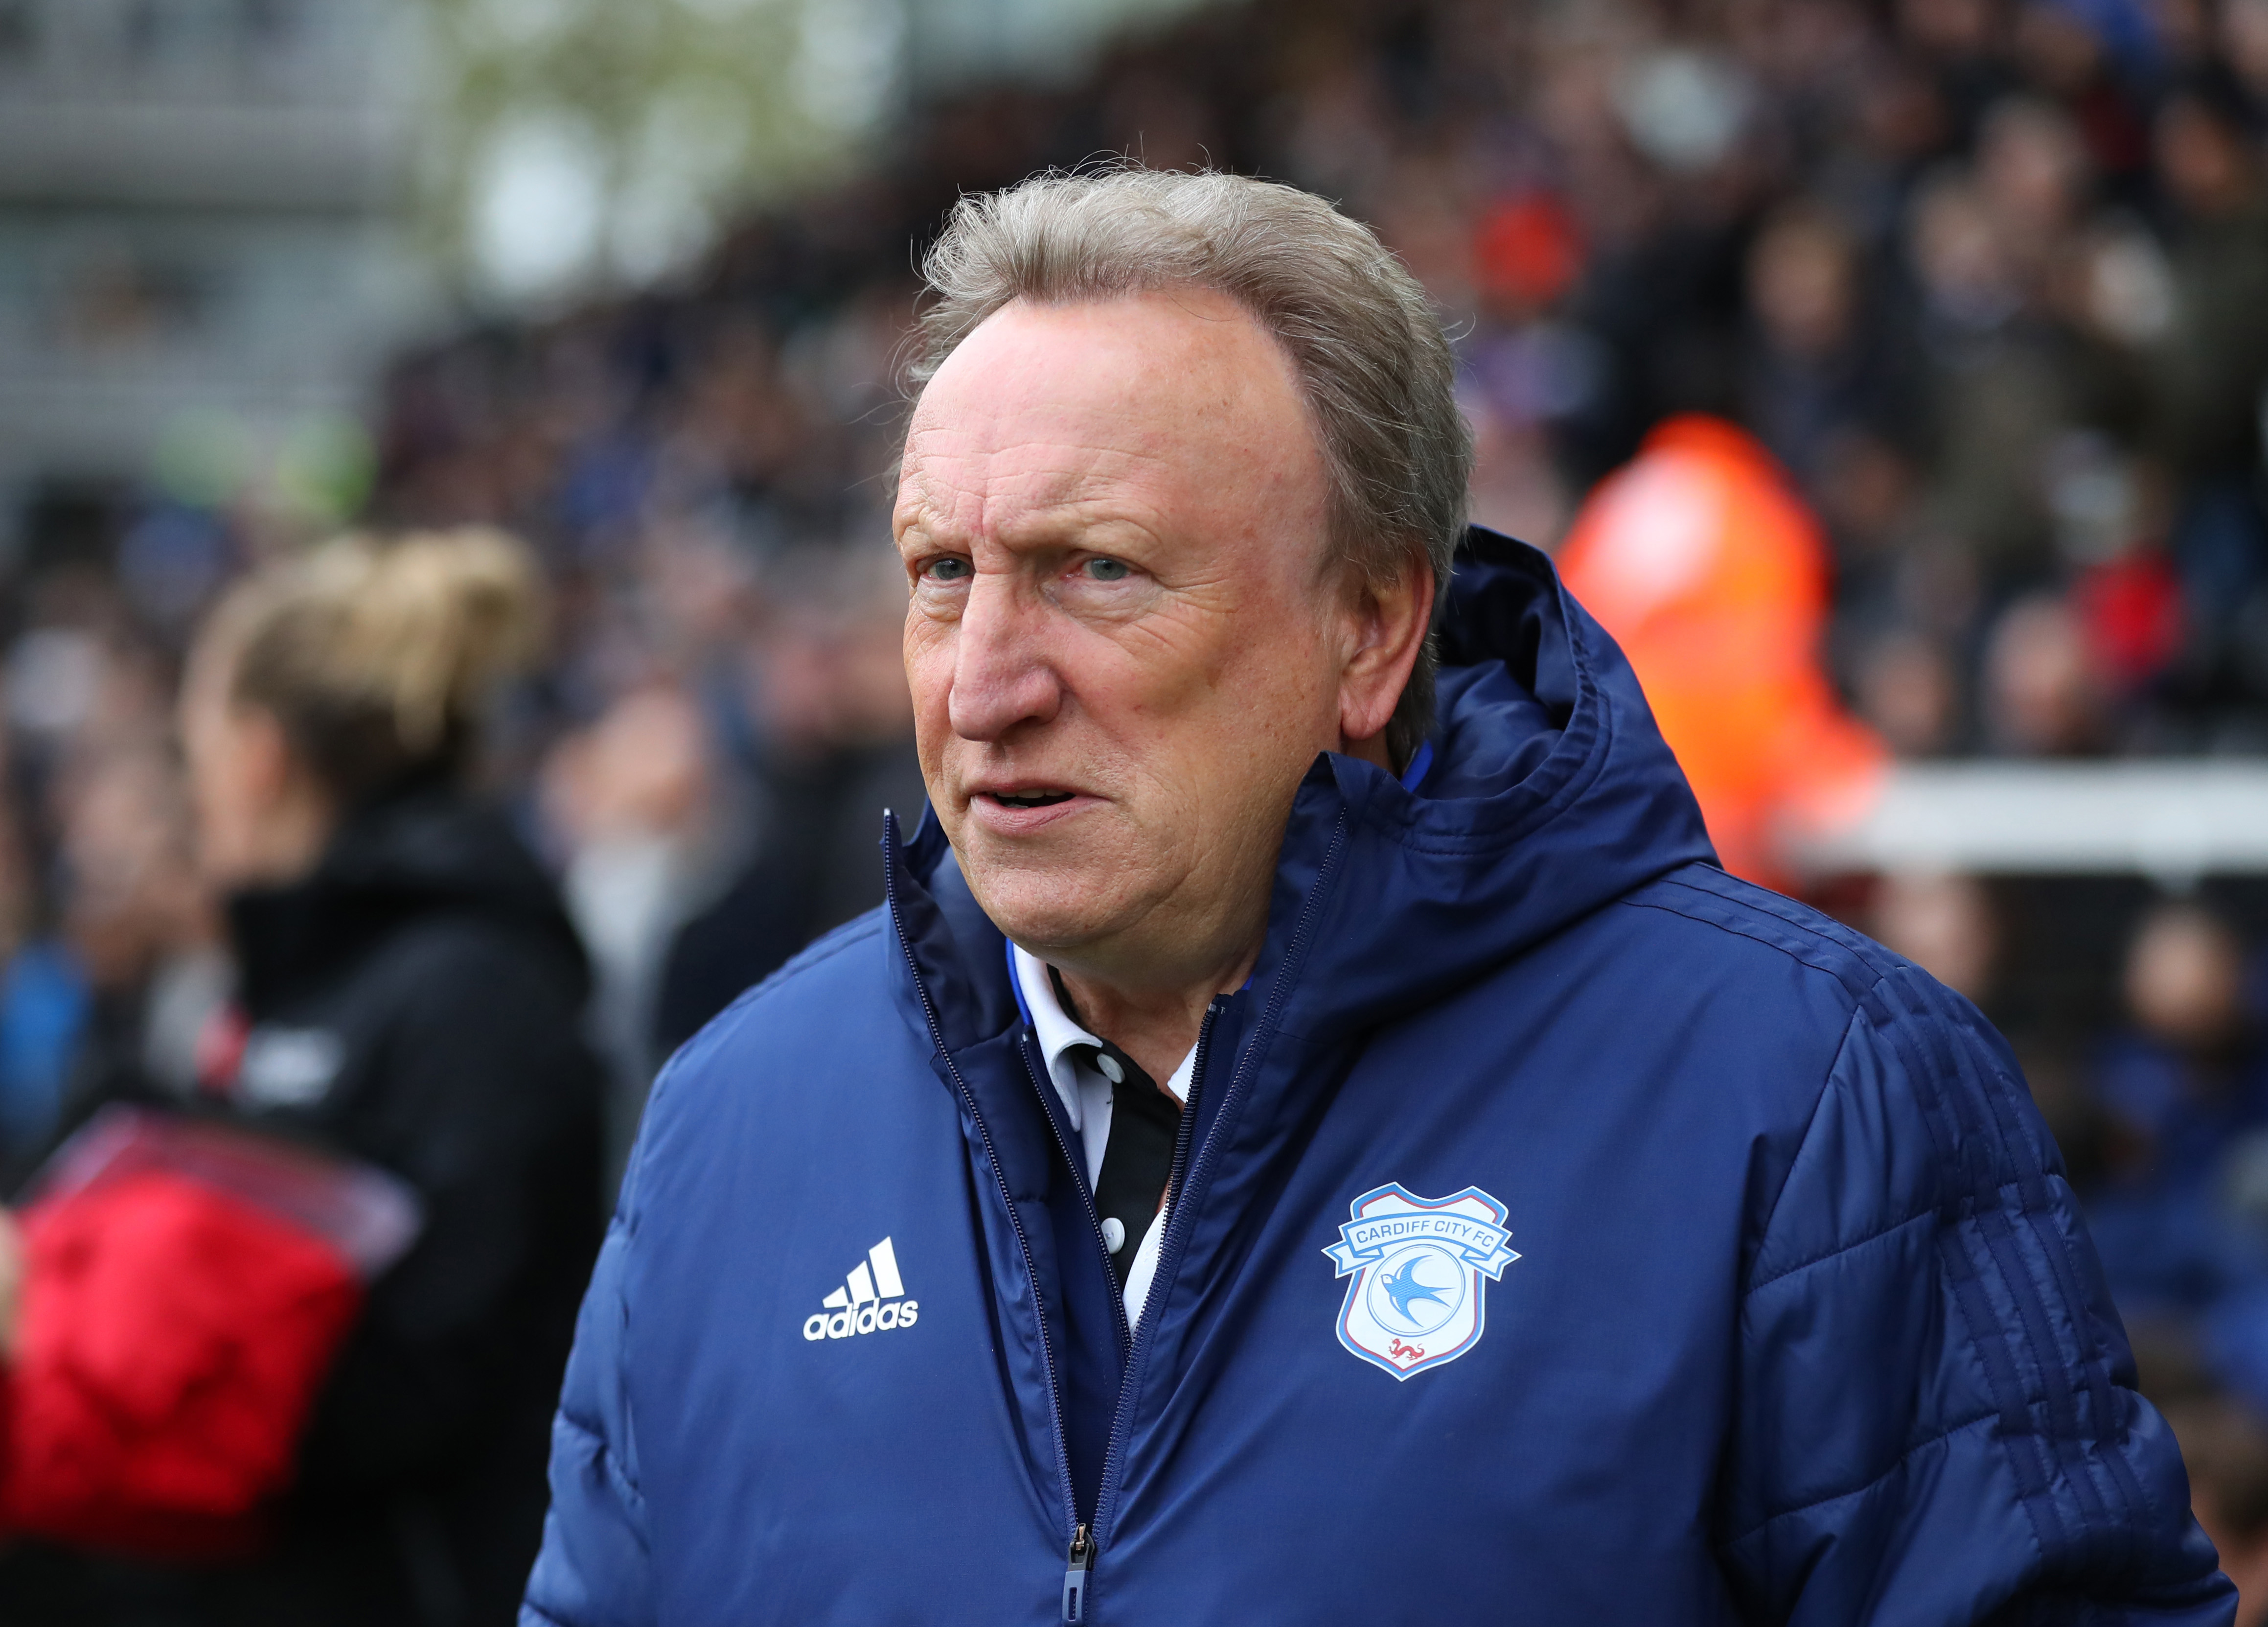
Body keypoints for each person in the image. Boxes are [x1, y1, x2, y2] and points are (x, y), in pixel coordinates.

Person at [525, 169, 2230, 1624]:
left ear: (1370, 626)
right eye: (939, 573)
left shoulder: (1809, 1094)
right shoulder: (732, 1126)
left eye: (1095, 570)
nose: (980, 684)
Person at [5, 530, 607, 1626]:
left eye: (192, 745)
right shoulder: (291, 978)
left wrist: (88, 1340)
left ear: (257, 755)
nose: (189, 788)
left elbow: (438, 1373)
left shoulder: (473, 991)